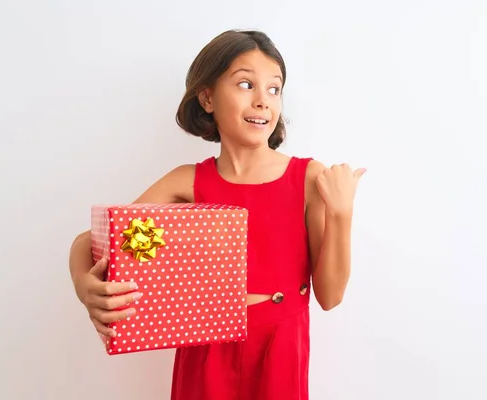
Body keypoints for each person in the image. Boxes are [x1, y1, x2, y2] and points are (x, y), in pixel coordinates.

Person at [69, 29, 365, 400]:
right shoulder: (187, 182)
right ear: (207, 97)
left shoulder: (307, 178)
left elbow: (330, 296)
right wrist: (84, 284)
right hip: (205, 353)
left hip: (280, 353)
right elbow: (97, 239)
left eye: (274, 89)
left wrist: (342, 214)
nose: (263, 101)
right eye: (245, 84)